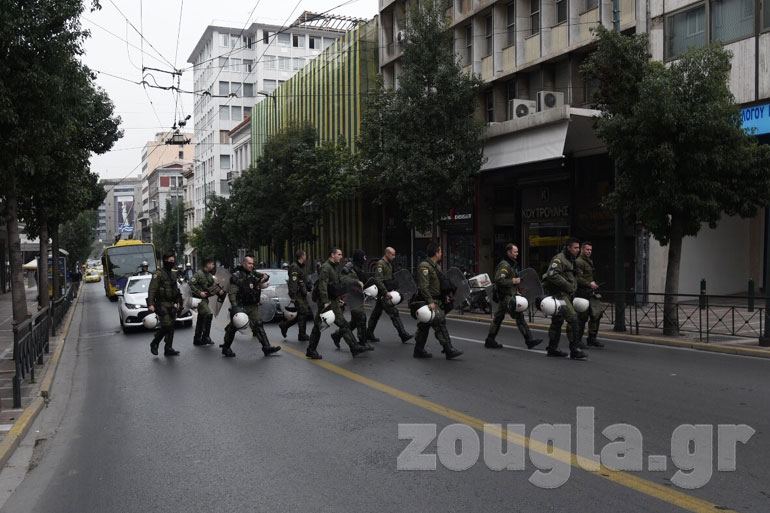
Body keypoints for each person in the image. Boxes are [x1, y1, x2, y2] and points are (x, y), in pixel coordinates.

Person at [305, 247, 368, 360]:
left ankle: (353, 346)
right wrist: (325, 301)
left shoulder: (334, 267)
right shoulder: (326, 267)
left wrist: (339, 299)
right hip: (326, 302)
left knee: (337, 324)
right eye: (339, 254)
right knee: (326, 325)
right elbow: (322, 285)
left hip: (333, 300)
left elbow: (335, 286)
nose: (341, 256)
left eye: (341, 254)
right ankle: (311, 350)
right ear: (332, 255)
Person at [484, 243, 543, 350]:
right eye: (515, 251)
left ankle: (490, 340)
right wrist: (513, 281)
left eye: (517, 251)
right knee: (519, 316)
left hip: (506, 295)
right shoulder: (505, 265)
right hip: (506, 297)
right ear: (508, 252)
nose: (517, 253)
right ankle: (529, 340)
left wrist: (516, 291)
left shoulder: (511, 264)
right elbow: (499, 279)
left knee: (498, 317)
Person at [221, 256, 281, 358]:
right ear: (244, 264)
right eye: (249, 263)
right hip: (241, 305)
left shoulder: (253, 273)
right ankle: (226, 347)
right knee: (233, 327)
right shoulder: (236, 276)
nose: (251, 265)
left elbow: (263, 277)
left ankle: (266, 347)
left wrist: (265, 277)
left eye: (252, 264)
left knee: (258, 323)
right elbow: (232, 293)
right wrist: (235, 308)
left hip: (252, 305)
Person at [413, 243, 463, 360]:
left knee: (424, 326)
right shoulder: (424, 266)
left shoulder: (436, 266)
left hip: (437, 299)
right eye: (440, 251)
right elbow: (423, 287)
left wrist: (445, 295)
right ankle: (448, 349)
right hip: (428, 301)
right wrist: (430, 301)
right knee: (440, 322)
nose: (442, 253)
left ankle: (418, 350)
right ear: (436, 253)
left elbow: (440, 284)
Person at [543, 238, 587, 360]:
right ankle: (575, 349)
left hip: (567, 294)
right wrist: (567, 285)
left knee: (557, 321)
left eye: (578, 248)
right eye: (575, 248)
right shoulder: (559, 259)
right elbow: (552, 274)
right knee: (573, 319)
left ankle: (552, 348)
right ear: (568, 247)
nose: (578, 250)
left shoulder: (571, 260)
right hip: (560, 294)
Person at [366, 247, 413, 343]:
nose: (394, 257)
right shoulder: (381, 264)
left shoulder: (389, 264)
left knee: (376, 314)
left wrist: (395, 288)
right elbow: (378, 280)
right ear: (387, 254)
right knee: (394, 313)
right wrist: (385, 292)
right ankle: (403, 334)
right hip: (384, 294)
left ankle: (369, 333)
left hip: (386, 292)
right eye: (392, 254)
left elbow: (390, 278)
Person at [332, 249, 374, 351]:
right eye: (363, 257)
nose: (364, 259)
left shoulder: (360, 267)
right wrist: (356, 282)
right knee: (361, 317)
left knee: (355, 321)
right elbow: (342, 279)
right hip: (351, 296)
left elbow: (363, 280)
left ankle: (337, 335)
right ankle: (362, 342)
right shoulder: (348, 267)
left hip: (359, 296)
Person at [147, 251, 183, 356]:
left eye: (173, 261)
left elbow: (176, 289)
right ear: (165, 261)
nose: (172, 262)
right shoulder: (158, 274)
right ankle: (154, 343)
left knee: (171, 326)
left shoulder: (173, 273)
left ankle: (168, 348)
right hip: (161, 303)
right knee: (166, 325)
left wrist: (178, 301)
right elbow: (152, 289)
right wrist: (151, 304)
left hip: (171, 303)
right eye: (170, 261)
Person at [576, 241, 604, 348]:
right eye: (587, 249)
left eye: (590, 250)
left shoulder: (588, 261)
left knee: (596, 314)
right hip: (582, 292)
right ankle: (578, 340)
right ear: (582, 249)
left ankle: (592, 338)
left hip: (591, 292)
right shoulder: (579, 262)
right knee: (582, 317)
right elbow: (578, 278)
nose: (589, 252)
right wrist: (589, 284)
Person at [279, 250, 311, 342]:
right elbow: (293, 283)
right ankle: (301, 334)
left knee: (303, 312)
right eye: (305, 255)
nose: (306, 256)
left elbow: (304, 279)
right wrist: (293, 296)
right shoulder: (294, 267)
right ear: (301, 256)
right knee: (302, 311)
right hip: (297, 294)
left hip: (303, 293)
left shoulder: (302, 266)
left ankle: (285, 325)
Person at [189, 258, 222, 346]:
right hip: (199, 299)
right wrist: (199, 292)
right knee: (208, 314)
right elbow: (190, 284)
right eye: (212, 264)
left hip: (205, 299)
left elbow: (213, 287)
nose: (213, 265)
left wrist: (219, 291)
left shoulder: (210, 276)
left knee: (201, 318)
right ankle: (205, 337)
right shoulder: (198, 274)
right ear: (207, 264)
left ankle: (197, 338)